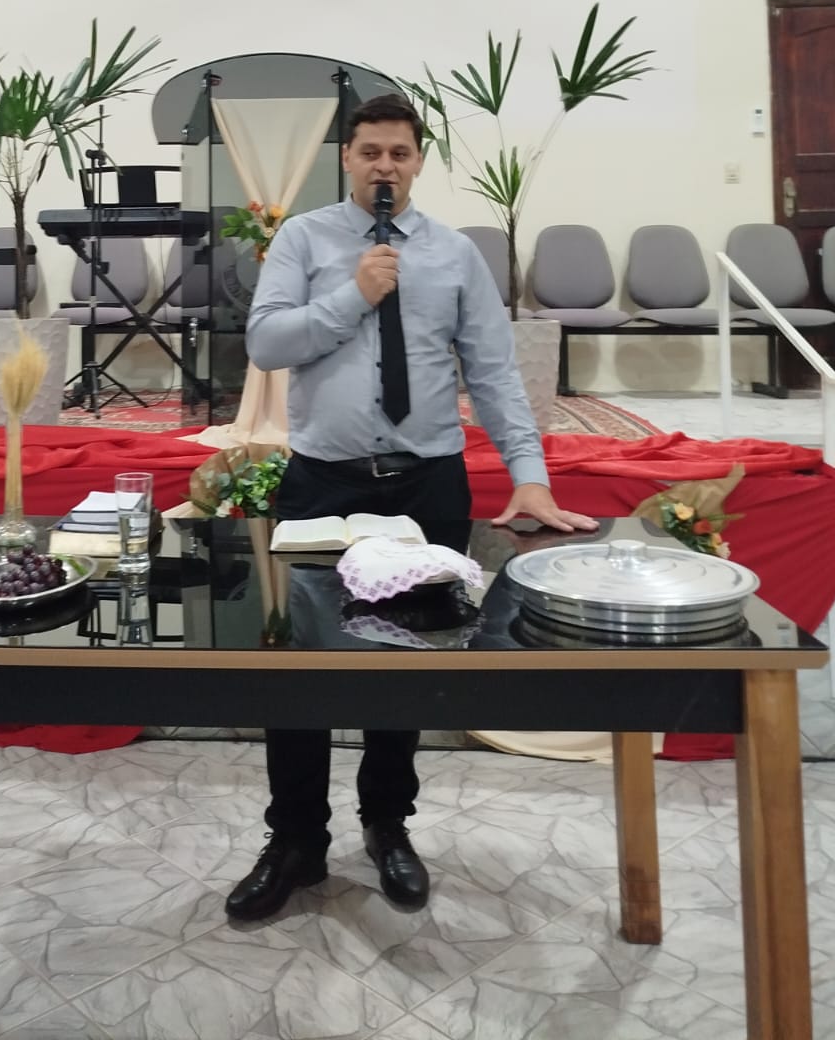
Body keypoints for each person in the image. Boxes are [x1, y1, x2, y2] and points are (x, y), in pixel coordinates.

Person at [224, 92, 598, 922]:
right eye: (370, 152)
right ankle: (295, 838)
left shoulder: (455, 253)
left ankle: (387, 825)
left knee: (408, 664)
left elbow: (494, 372)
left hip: (427, 483)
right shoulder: (304, 239)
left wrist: (529, 474)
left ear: (419, 161)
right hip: (323, 484)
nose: (384, 166)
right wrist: (351, 295)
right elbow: (266, 343)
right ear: (347, 159)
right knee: (297, 669)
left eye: (399, 153)